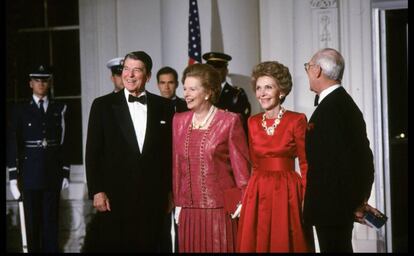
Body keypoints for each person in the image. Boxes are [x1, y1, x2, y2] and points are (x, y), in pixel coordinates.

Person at [85, 51, 174, 252]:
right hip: (115, 198)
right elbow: (93, 152)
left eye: (137, 70)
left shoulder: (165, 106)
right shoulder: (102, 106)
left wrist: (171, 191)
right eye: (126, 69)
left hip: (155, 197)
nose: (130, 75)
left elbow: (169, 154)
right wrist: (97, 190)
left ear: (148, 76)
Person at [236, 61, 315, 252]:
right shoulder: (252, 122)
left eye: (268, 87)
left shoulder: (297, 120)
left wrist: (306, 197)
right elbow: (253, 164)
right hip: (258, 189)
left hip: (287, 190)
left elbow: (306, 164)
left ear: (281, 91)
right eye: (259, 88)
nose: (262, 93)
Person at [172, 63, 250, 253]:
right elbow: (177, 166)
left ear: (207, 92)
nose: (186, 94)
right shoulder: (178, 121)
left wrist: (242, 201)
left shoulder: (230, 121)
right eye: (184, 88)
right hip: (189, 211)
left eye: (192, 89)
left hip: (220, 211)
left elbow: (241, 169)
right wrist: (178, 203)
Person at [303, 48, 375, 252]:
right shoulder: (341, 104)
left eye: (308, 67)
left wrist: (357, 202)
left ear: (317, 70)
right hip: (336, 207)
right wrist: (358, 200)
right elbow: (362, 159)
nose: (308, 72)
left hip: (332, 209)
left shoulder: (333, 108)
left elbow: (350, 161)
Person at [6, 65, 70, 252]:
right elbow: (13, 143)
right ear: (30, 83)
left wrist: (65, 171)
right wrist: (12, 177)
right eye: (37, 80)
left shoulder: (60, 109)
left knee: (51, 223)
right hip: (29, 174)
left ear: (49, 83)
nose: (41, 84)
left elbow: (65, 142)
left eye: (44, 80)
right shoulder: (20, 111)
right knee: (31, 224)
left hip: (52, 174)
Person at [202, 52, 251, 132]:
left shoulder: (237, 94)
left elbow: (241, 124)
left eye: (217, 68)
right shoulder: (201, 92)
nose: (214, 73)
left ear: (226, 71)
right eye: (211, 69)